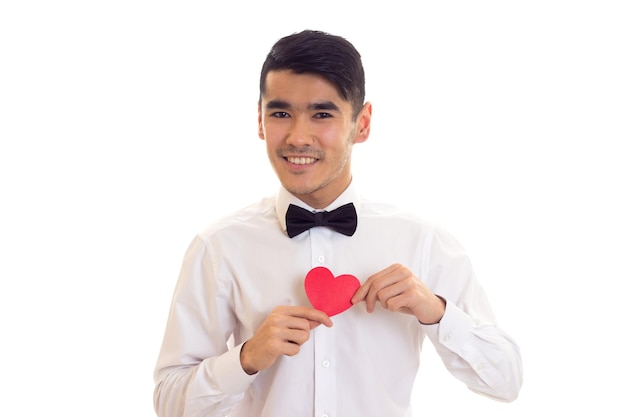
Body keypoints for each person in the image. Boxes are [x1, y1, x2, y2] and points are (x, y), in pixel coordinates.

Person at [153, 29, 523, 417]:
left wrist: (436, 311)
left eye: (322, 114)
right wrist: (246, 358)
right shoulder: (219, 247)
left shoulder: (423, 240)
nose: (297, 137)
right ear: (260, 122)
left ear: (361, 124)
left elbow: (506, 381)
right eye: (280, 113)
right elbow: (168, 402)